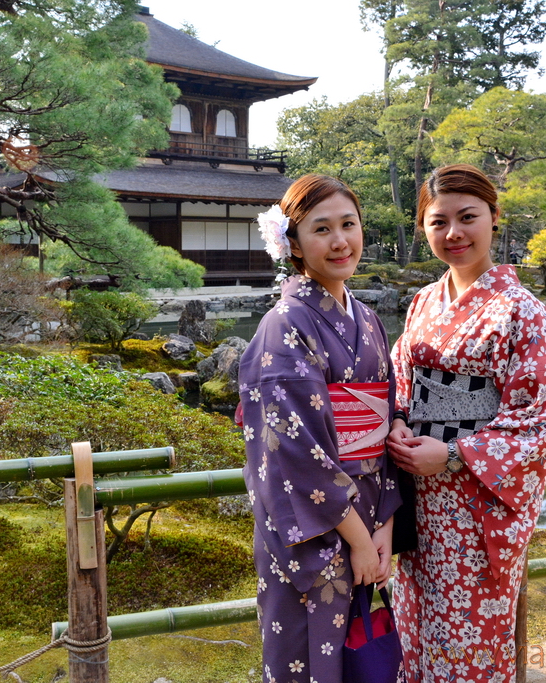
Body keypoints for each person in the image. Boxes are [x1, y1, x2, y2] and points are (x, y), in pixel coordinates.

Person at [387, 164, 546, 682]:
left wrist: (450, 454)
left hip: (475, 502)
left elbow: (543, 420)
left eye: (468, 217)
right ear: (423, 226)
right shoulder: (424, 300)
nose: (453, 234)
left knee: (468, 635)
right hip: (419, 495)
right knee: (413, 624)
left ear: (494, 217)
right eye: (437, 221)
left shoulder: (522, 311)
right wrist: (399, 420)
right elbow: (402, 377)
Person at [237, 174, 402, 683]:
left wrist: (383, 529)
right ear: (292, 243)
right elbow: (293, 450)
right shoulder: (283, 323)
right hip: (314, 533)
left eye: (348, 225)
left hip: (369, 516)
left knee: (361, 657)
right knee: (307, 659)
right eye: (321, 229)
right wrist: (356, 538)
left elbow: (390, 417)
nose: (339, 242)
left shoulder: (369, 319)